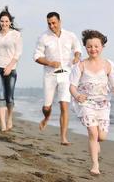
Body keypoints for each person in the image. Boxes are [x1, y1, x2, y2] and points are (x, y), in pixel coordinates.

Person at [69, 30, 114, 175]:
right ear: (85, 47)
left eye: (96, 46)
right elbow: (72, 86)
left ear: (102, 46)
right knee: (93, 133)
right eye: (89, 46)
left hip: (103, 104)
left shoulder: (108, 64)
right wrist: (77, 95)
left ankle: (97, 143)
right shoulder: (80, 65)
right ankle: (95, 165)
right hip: (86, 103)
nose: (93, 49)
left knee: (102, 137)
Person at [33, 12, 82, 145]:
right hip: (50, 74)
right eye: (49, 23)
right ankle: (46, 117)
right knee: (47, 107)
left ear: (60, 21)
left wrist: (77, 56)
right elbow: (37, 56)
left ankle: (63, 138)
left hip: (66, 73)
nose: (51, 25)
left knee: (64, 105)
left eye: (54, 23)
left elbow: (77, 48)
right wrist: (50, 62)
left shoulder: (70, 35)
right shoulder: (43, 37)